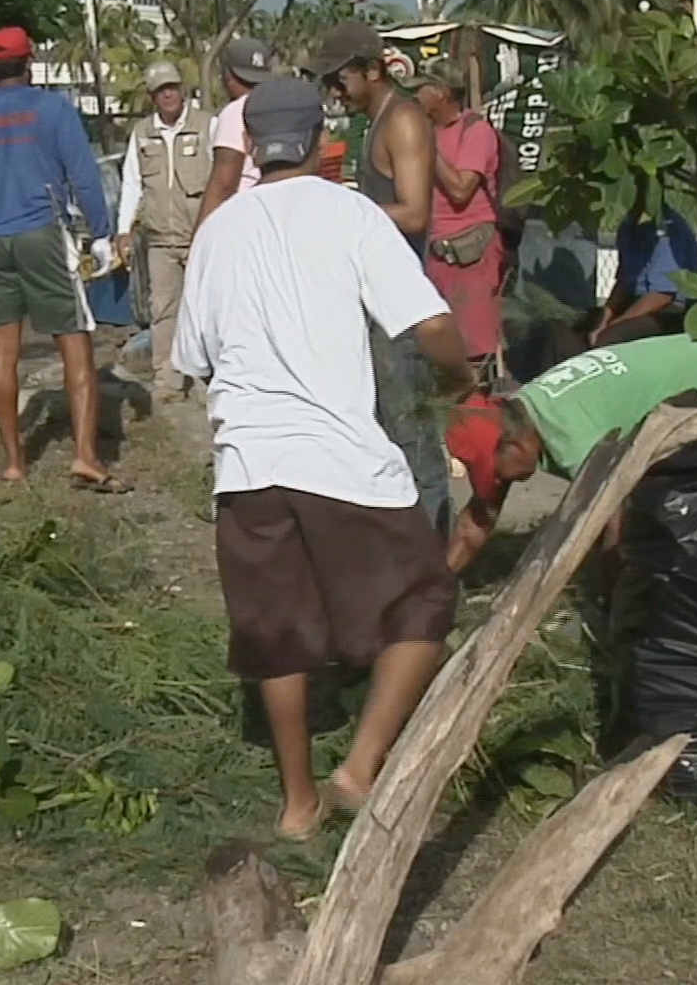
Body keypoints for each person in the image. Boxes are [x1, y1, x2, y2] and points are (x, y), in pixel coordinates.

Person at [172, 78, 473, 841]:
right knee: (426, 599)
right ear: (319, 141)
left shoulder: (219, 230)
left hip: (246, 462)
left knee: (279, 631)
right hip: (342, 456)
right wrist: (460, 376)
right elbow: (430, 322)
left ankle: (297, 804)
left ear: (251, 147)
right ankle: (361, 767)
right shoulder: (352, 214)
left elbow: (196, 357)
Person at [0, 26, 128, 492]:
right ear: (29, 62)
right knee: (75, 340)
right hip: (43, 231)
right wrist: (101, 234)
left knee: (2, 351)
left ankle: (14, 462)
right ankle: (84, 457)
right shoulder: (53, 110)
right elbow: (83, 176)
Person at [444, 335, 697, 574]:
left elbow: (613, 521)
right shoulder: (518, 419)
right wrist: (438, 588)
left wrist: (608, 600)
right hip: (680, 374)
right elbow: (476, 521)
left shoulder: (574, 440)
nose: (497, 481)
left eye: (495, 472)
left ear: (516, 446)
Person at [307, 21, 450, 534]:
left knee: (415, 443)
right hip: (374, 307)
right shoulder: (374, 122)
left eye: (339, 79)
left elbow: (414, 213)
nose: (334, 91)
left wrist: (343, 208)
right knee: (383, 436)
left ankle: (434, 567)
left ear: (371, 71)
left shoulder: (404, 121)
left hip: (401, 310)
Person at [116, 60, 211, 401]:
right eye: (160, 90)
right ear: (151, 96)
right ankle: (167, 380)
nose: (168, 94)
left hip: (200, 235)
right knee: (163, 309)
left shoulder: (206, 126)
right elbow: (132, 183)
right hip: (159, 239)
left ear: (181, 89)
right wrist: (124, 229)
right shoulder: (142, 134)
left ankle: (204, 378)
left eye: (172, 87)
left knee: (204, 309)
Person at [407, 57, 504, 367]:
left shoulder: (476, 132)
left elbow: (461, 189)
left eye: (421, 89)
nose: (415, 96)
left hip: (469, 251)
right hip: (435, 251)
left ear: (441, 92)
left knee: (473, 346)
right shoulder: (427, 130)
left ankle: (475, 408)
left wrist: (429, 149)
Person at [589, 197, 697, 347]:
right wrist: (602, 320)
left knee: (610, 338)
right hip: (637, 302)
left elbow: (662, 296)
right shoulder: (628, 226)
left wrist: (612, 326)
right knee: (580, 326)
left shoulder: (668, 229)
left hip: (670, 311)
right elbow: (623, 284)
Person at [194, 36, 276, 227]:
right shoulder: (281, 106)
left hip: (244, 217)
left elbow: (224, 184)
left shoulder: (236, 112)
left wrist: (200, 239)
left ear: (228, 74)